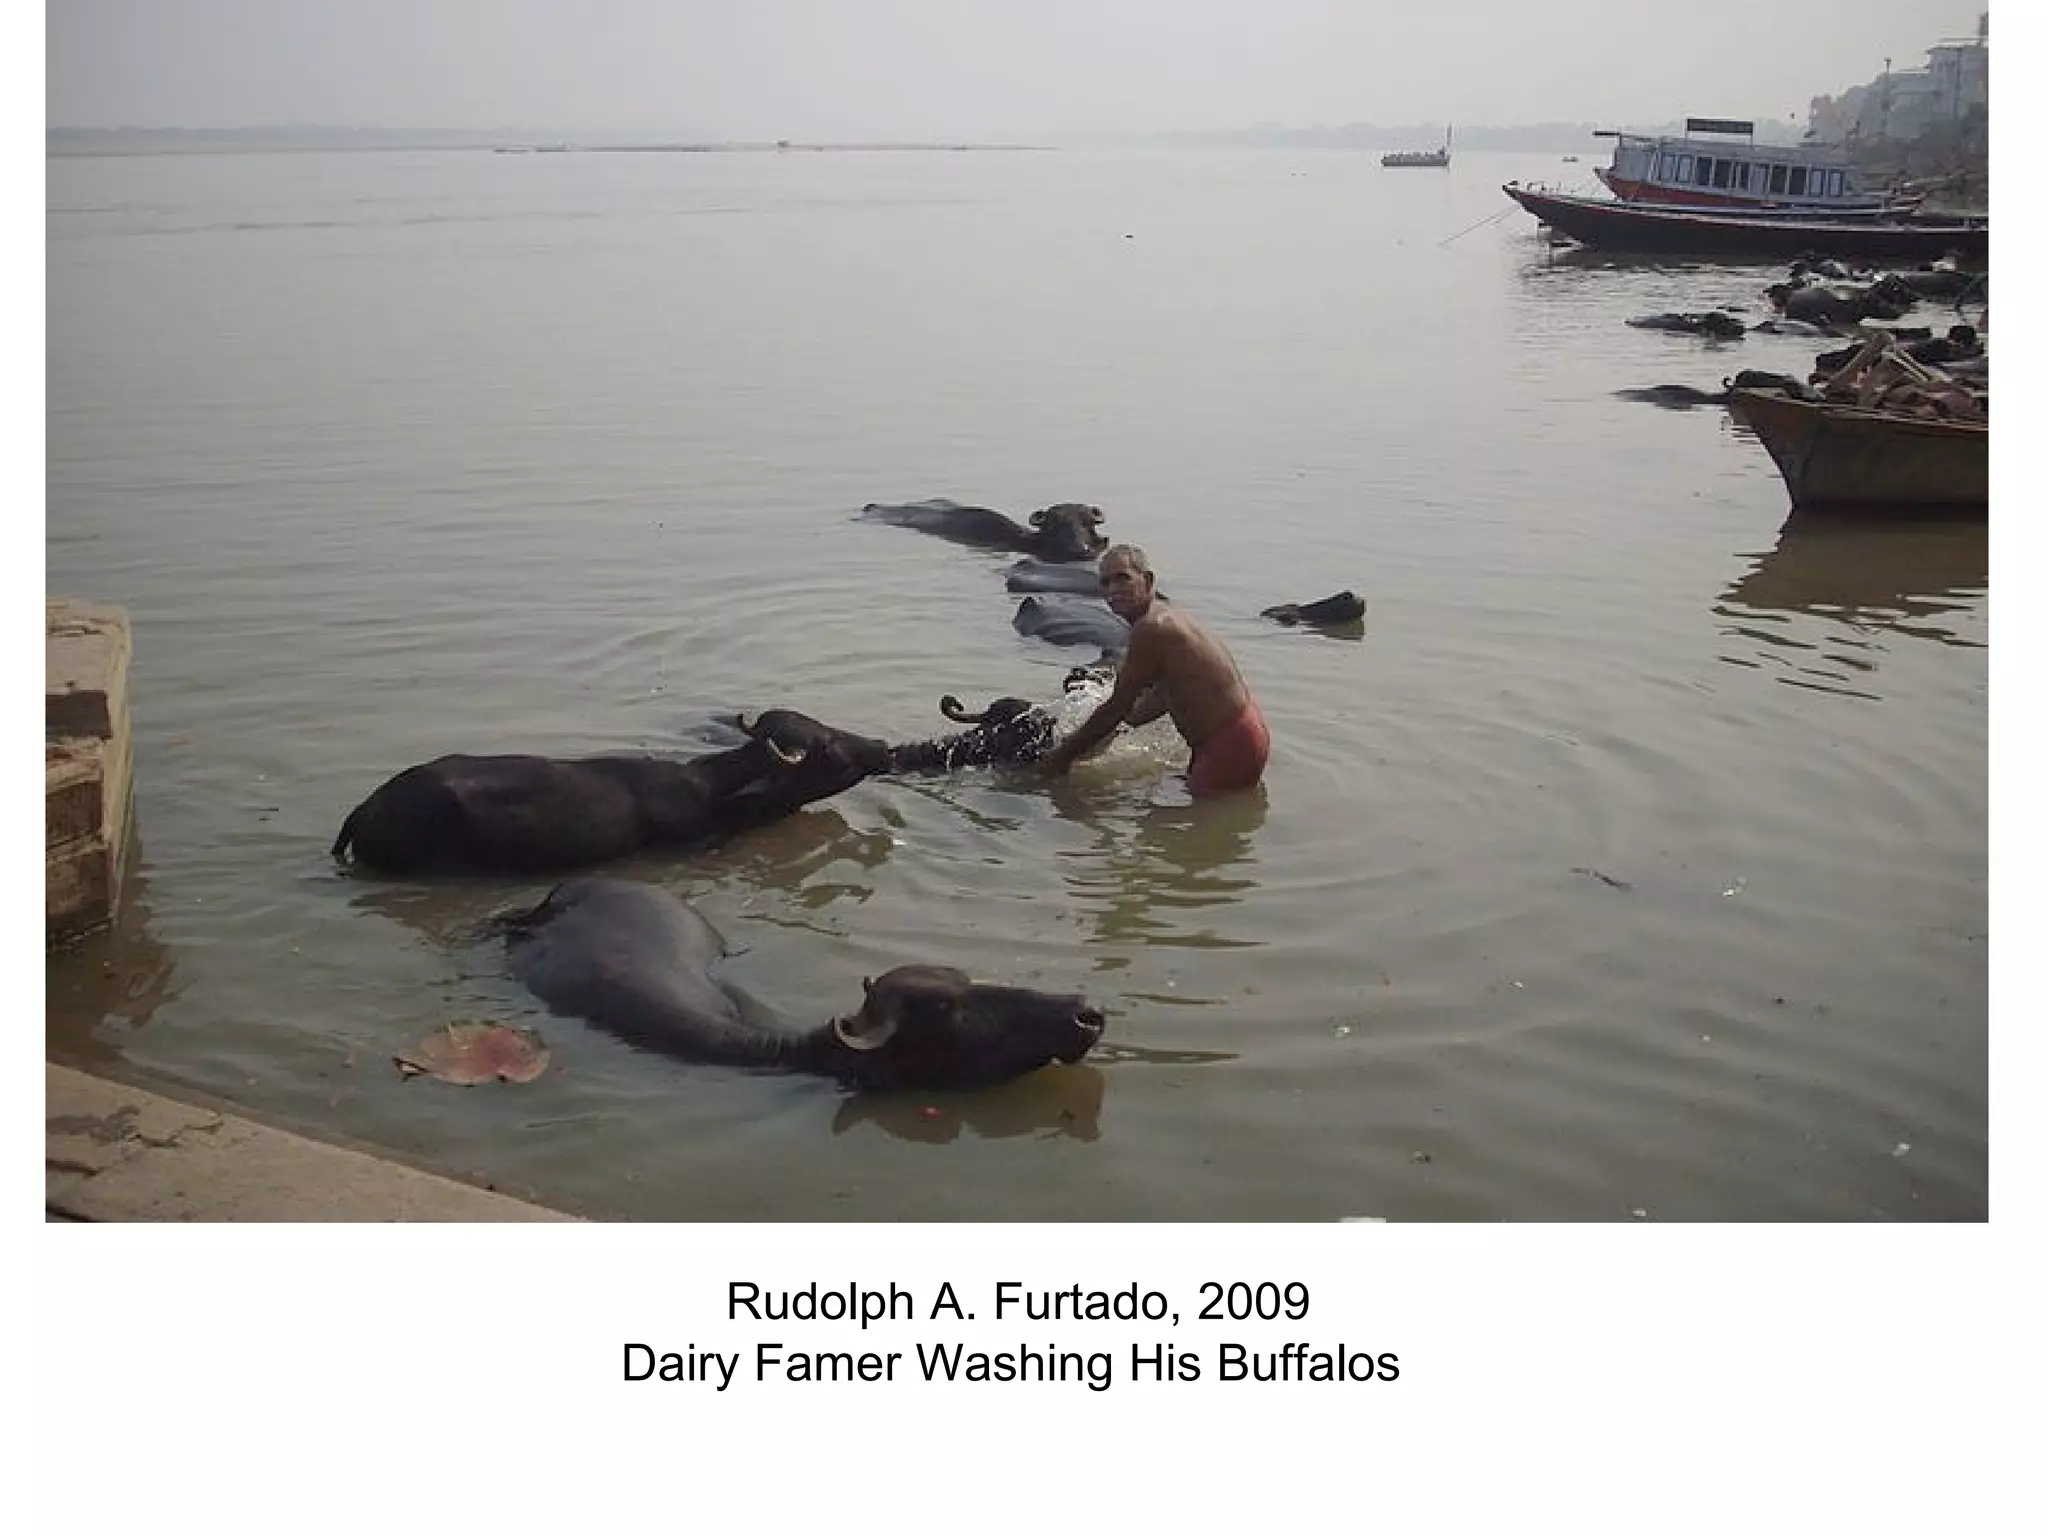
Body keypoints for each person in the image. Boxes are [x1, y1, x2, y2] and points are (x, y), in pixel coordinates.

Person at [1041, 544, 1270, 796]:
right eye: (1105, 583)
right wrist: (1122, 728)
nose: (1113, 590)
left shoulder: (1151, 628)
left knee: (1173, 829)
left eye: (1123, 578)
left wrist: (1060, 758)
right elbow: (1164, 693)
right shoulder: (1166, 615)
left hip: (1229, 745)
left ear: (1147, 580)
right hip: (1241, 734)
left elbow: (1117, 705)